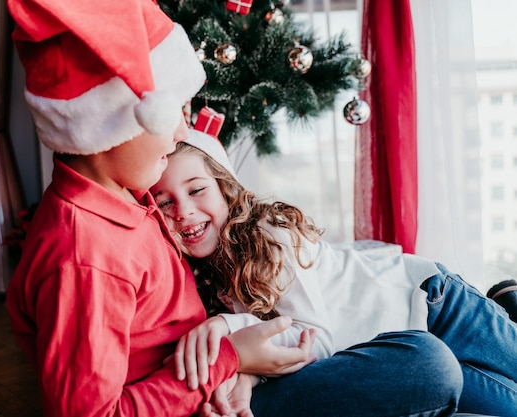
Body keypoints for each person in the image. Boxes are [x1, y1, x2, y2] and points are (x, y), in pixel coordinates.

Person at [5, 0, 463, 416]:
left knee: (438, 353)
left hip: (227, 372)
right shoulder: (86, 259)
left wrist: (238, 358)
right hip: (217, 398)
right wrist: (234, 360)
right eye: (172, 112)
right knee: (426, 364)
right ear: (112, 125)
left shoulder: (128, 194)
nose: (181, 132)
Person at [150, 128, 517, 417]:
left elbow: (316, 340)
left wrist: (230, 330)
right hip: (408, 347)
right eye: (164, 202)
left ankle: (506, 301)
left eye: (196, 190)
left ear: (226, 190)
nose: (182, 210)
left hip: (433, 303)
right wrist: (248, 370)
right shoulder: (201, 277)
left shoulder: (268, 235)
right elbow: (291, 353)